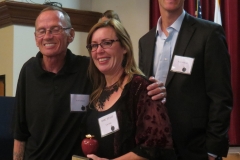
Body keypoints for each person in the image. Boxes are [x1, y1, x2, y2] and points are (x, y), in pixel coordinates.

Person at [12, 6, 165, 160]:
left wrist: (155, 89)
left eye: (55, 29)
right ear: (35, 37)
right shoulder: (28, 71)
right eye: (41, 31)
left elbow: (155, 144)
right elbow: (20, 132)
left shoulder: (87, 70)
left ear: (71, 35)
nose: (47, 36)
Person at [138, 0, 233, 160]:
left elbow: (221, 97)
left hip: (196, 150)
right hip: (156, 149)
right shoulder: (145, 42)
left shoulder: (209, 33)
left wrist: (212, 150)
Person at [82, 19, 177, 160]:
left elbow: (156, 147)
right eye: (94, 46)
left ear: (124, 47)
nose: (99, 51)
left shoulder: (142, 88)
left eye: (107, 43)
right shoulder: (95, 90)